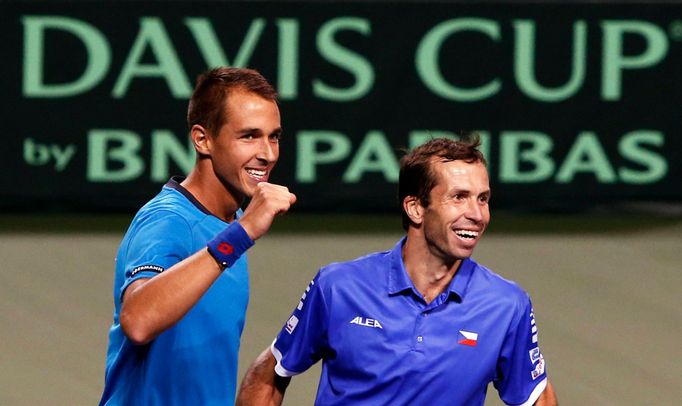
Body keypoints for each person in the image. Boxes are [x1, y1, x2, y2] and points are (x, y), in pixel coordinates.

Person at [237, 136, 558, 405]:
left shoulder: (505, 306)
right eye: (459, 197)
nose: (477, 214)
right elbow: (271, 372)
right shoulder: (338, 287)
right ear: (416, 207)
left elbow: (536, 397)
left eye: (483, 199)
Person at [99, 67, 296, 405]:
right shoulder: (168, 220)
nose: (268, 153)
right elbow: (139, 321)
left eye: (273, 136)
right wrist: (243, 233)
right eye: (249, 136)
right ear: (202, 139)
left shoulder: (229, 223)